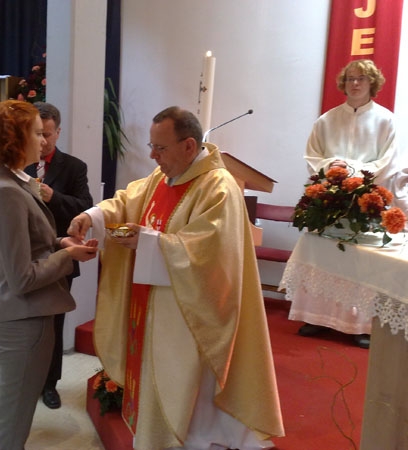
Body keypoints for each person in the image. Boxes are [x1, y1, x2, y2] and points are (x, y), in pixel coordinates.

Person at [68, 106, 284, 450]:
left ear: (188, 146)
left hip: (189, 311)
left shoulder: (218, 187)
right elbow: (127, 201)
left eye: (160, 148)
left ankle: (196, 436)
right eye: (151, 146)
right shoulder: (164, 176)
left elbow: (210, 253)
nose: (153, 156)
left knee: (185, 383)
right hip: (151, 303)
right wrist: (92, 216)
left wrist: (148, 242)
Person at [0, 100, 98, 450]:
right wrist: (67, 255)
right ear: (15, 139)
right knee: (12, 424)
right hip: (23, 318)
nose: (43, 141)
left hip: (21, 316)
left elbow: (26, 242)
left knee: (5, 411)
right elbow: (22, 277)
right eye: (36, 133)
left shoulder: (9, 181)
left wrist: (59, 241)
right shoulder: (6, 191)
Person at [300, 59, 398, 348]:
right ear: (343, 83)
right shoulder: (327, 120)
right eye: (350, 79)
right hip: (331, 196)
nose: (355, 84)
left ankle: (360, 324)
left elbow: (388, 160)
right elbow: (313, 155)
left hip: (366, 199)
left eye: (361, 79)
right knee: (327, 257)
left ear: (372, 83)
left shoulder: (386, 120)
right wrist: (333, 168)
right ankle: (318, 317)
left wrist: (353, 172)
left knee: (361, 261)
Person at [24, 101, 93, 409]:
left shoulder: (74, 167)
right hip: (25, 255)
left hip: (61, 254)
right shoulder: (21, 164)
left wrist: (54, 197)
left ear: (59, 132)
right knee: (27, 321)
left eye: (48, 134)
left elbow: (85, 206)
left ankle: (50, 384)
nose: (43, 140)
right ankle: (27, 379)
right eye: (38, 133)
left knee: (54, 323)